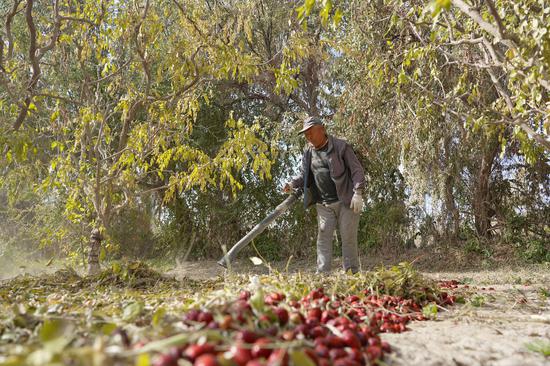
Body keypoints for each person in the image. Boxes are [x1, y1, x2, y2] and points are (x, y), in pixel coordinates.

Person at [284, 116, 366, 274]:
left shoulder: (341, 146)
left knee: (348, 239)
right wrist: (292, 184)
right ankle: (322, 275)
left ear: (322, 130)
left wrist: (358, 192)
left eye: (310, 132)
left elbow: (357, 170)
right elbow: (304, 176)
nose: (308, 137)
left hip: (346, 201)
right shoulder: (308, 152)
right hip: (323, 204)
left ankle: (352, 274)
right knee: (323, 238)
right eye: (305, 134)